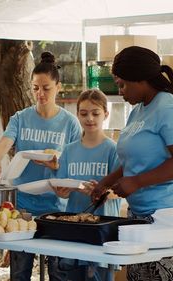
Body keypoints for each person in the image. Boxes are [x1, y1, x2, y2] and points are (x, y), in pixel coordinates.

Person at [91, 46, 173, 281]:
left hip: (171, 214)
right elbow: (134, 160)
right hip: (141, 214)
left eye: (122, 84)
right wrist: (106, 183)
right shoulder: (139, 109)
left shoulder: (170, 108)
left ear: (140, 80)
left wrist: (137, 182)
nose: (120, 91)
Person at [0, 51, 81, 281]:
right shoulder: (21, 118)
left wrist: (58, 165)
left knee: (58, 272)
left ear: (58, 87)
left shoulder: (70, 123)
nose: (40, 94)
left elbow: (75, 165)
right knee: (20, 273)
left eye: (46, 88)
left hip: (56, 206)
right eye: (35, 87)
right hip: (23, 207)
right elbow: (4, 142)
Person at [52, 89, 121, 281]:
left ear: (106, 114)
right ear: (77, 115)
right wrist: (63, 192)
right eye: (84, 113)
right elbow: (63, 192)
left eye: (95, 113)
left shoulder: (113, 150)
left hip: (103, 230)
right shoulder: (68, 150)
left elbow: (122, 190)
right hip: (75, 229)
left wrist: (102, 190)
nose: (89, 118)